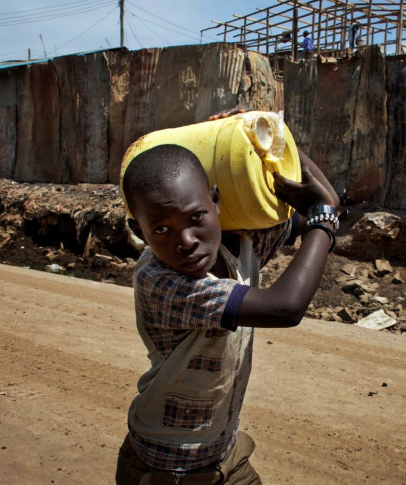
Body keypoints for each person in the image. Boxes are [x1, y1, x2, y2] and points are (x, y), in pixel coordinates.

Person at [115, 131, 339, 484]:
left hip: (223, 453)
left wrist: (266, 135)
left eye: (196, 218)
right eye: (161, 228)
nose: (186, 241)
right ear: (139, 231)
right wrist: (324, 221)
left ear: (216, 202)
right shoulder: (159, 281)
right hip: (167, 466)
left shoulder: (238, 246)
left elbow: (324, 202)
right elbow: (285, 307)